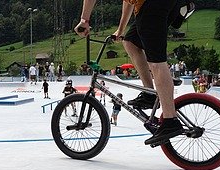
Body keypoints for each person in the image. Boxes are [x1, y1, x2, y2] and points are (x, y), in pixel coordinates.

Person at [74, 0, 187, 146]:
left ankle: (170, 120)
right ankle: (149, 94)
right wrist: (120, 30)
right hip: (160, 5)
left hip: (153, 5)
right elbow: (128, 2)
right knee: (130, 42)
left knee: (156, 62)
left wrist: (84, 20)